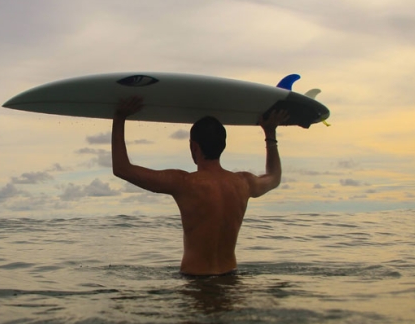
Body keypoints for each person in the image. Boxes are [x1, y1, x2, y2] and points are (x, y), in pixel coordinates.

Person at [111, 96, 287, 276]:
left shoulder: (184, 183)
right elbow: (274, 177)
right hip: (231, 279)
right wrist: (270, 133)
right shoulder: (244, 183)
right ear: (223, 145)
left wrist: (119, 117)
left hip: (196, 281)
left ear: (193, 146)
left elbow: (122, 168)